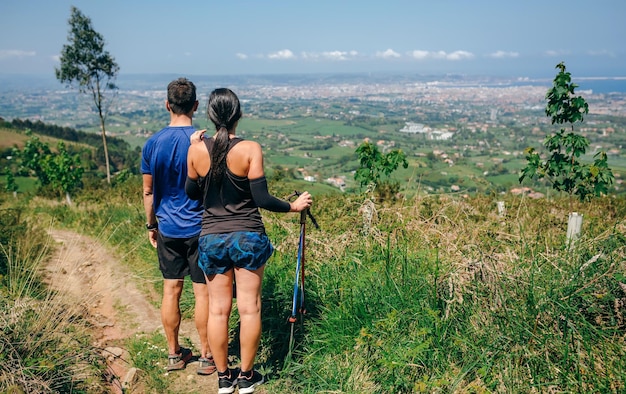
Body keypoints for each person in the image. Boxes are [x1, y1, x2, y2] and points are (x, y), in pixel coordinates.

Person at [185, 88, 312, 394]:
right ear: (239, 115)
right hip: (248, 236)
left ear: (211, 116)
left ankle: (223, 378)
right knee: (249, 308)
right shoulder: (250, 149)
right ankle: (246, 376)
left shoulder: (196, 150)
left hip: (212, 237)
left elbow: (191, 194)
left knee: (218, 310)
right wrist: (293, 206)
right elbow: (261, 198)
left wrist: (196, 148)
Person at [141, 77, 215, 375]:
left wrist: (151, 225)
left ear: (167, 104)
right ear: (196, 106)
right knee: (203, 293)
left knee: (171, 289)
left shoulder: (153, 143)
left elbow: (148, 191)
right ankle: (208, 357)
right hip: (200, 227)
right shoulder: (203, 143)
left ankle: (174, 355)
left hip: (168, 227)